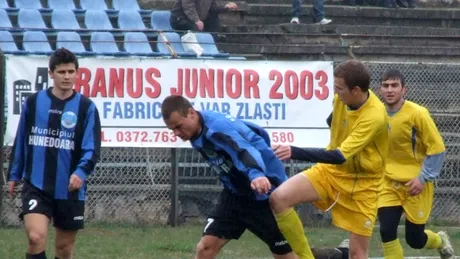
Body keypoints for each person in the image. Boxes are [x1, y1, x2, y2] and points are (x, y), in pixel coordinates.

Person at [269, 59, 389, 259]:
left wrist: (294, 151)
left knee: (357, 254)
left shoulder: (374, 116)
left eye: (340, 88)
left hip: (364, 185)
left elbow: (339, 156)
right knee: (279, 198)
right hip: (330, 173)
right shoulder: (341, 99)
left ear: (356, 91)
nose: (335, 91)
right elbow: (333, 121)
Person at [8, 48, 101, 259]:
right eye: (61, 72)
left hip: (69, 188)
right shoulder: (33, 103)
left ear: (77, 73)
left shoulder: (87, 108)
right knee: (35, 237)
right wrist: (14, 174)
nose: (67, 77)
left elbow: (92, 148)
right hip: (36, 185)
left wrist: (80, 172)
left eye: (71, 72)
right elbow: (22, 138)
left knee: (64, 249)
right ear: (51, 73)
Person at [377, 69, 454, 259]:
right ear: (380, 89)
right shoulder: (376, 114)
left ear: (404, 89)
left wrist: (422, 177)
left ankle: (440, 240)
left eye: (394, 85)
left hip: (415, 184)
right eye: (385, 85)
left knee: (415, 240)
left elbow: (437, 149)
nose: (390, 90)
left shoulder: (418, 114)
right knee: (386, 231)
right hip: (388, 182)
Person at [170, 0, 238, 33]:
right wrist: (196, 20)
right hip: (180, 19)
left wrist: (226, 7)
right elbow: (188, 7)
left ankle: (211, 46)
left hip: (197, 19)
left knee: (214, 19)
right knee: (195, 26)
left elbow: (213, 8)